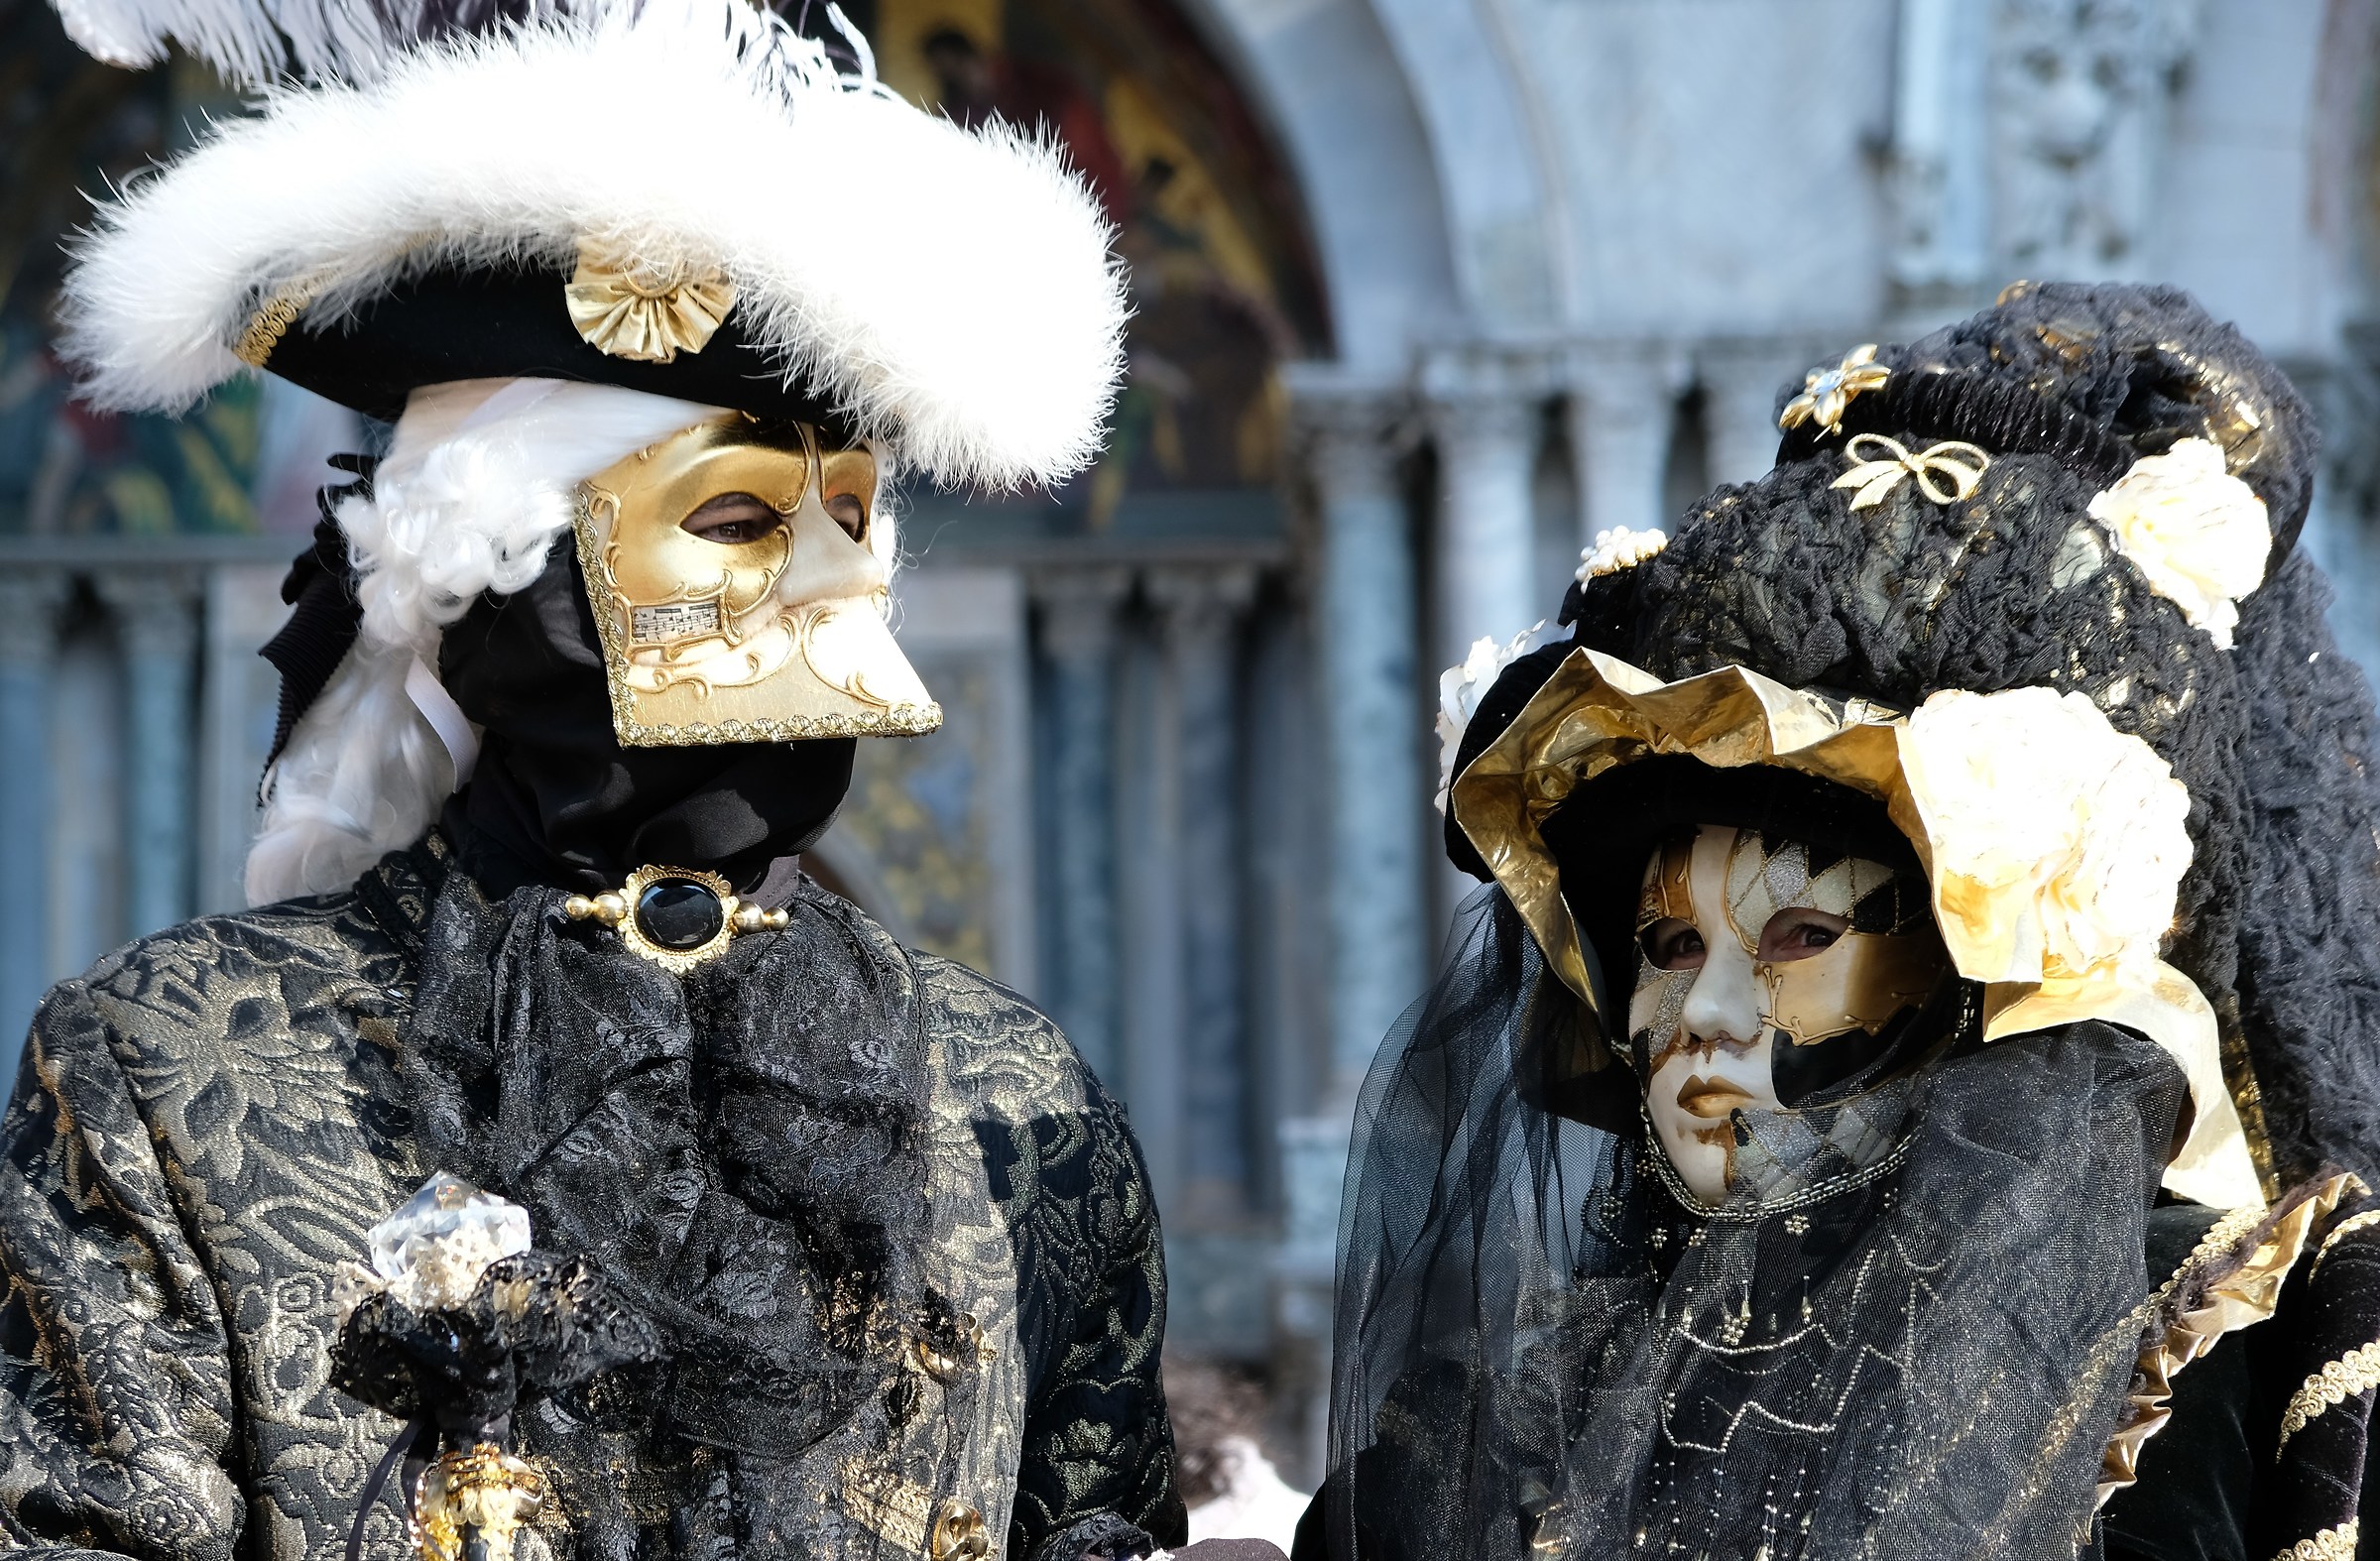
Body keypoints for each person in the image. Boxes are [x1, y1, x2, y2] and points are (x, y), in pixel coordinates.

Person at [0, 2, 1189, 1558]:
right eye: (731, 528)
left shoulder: (1018, 1104)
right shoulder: (167, 1074)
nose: (795, 627)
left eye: (841, 533)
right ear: (477, 574)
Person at [1299, 283, 2380, 1561]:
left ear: (1963, 970)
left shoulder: (2220, 1347)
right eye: (1667, 946)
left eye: (1803, 937)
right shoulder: (1505, 1420)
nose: (1703, 1016)